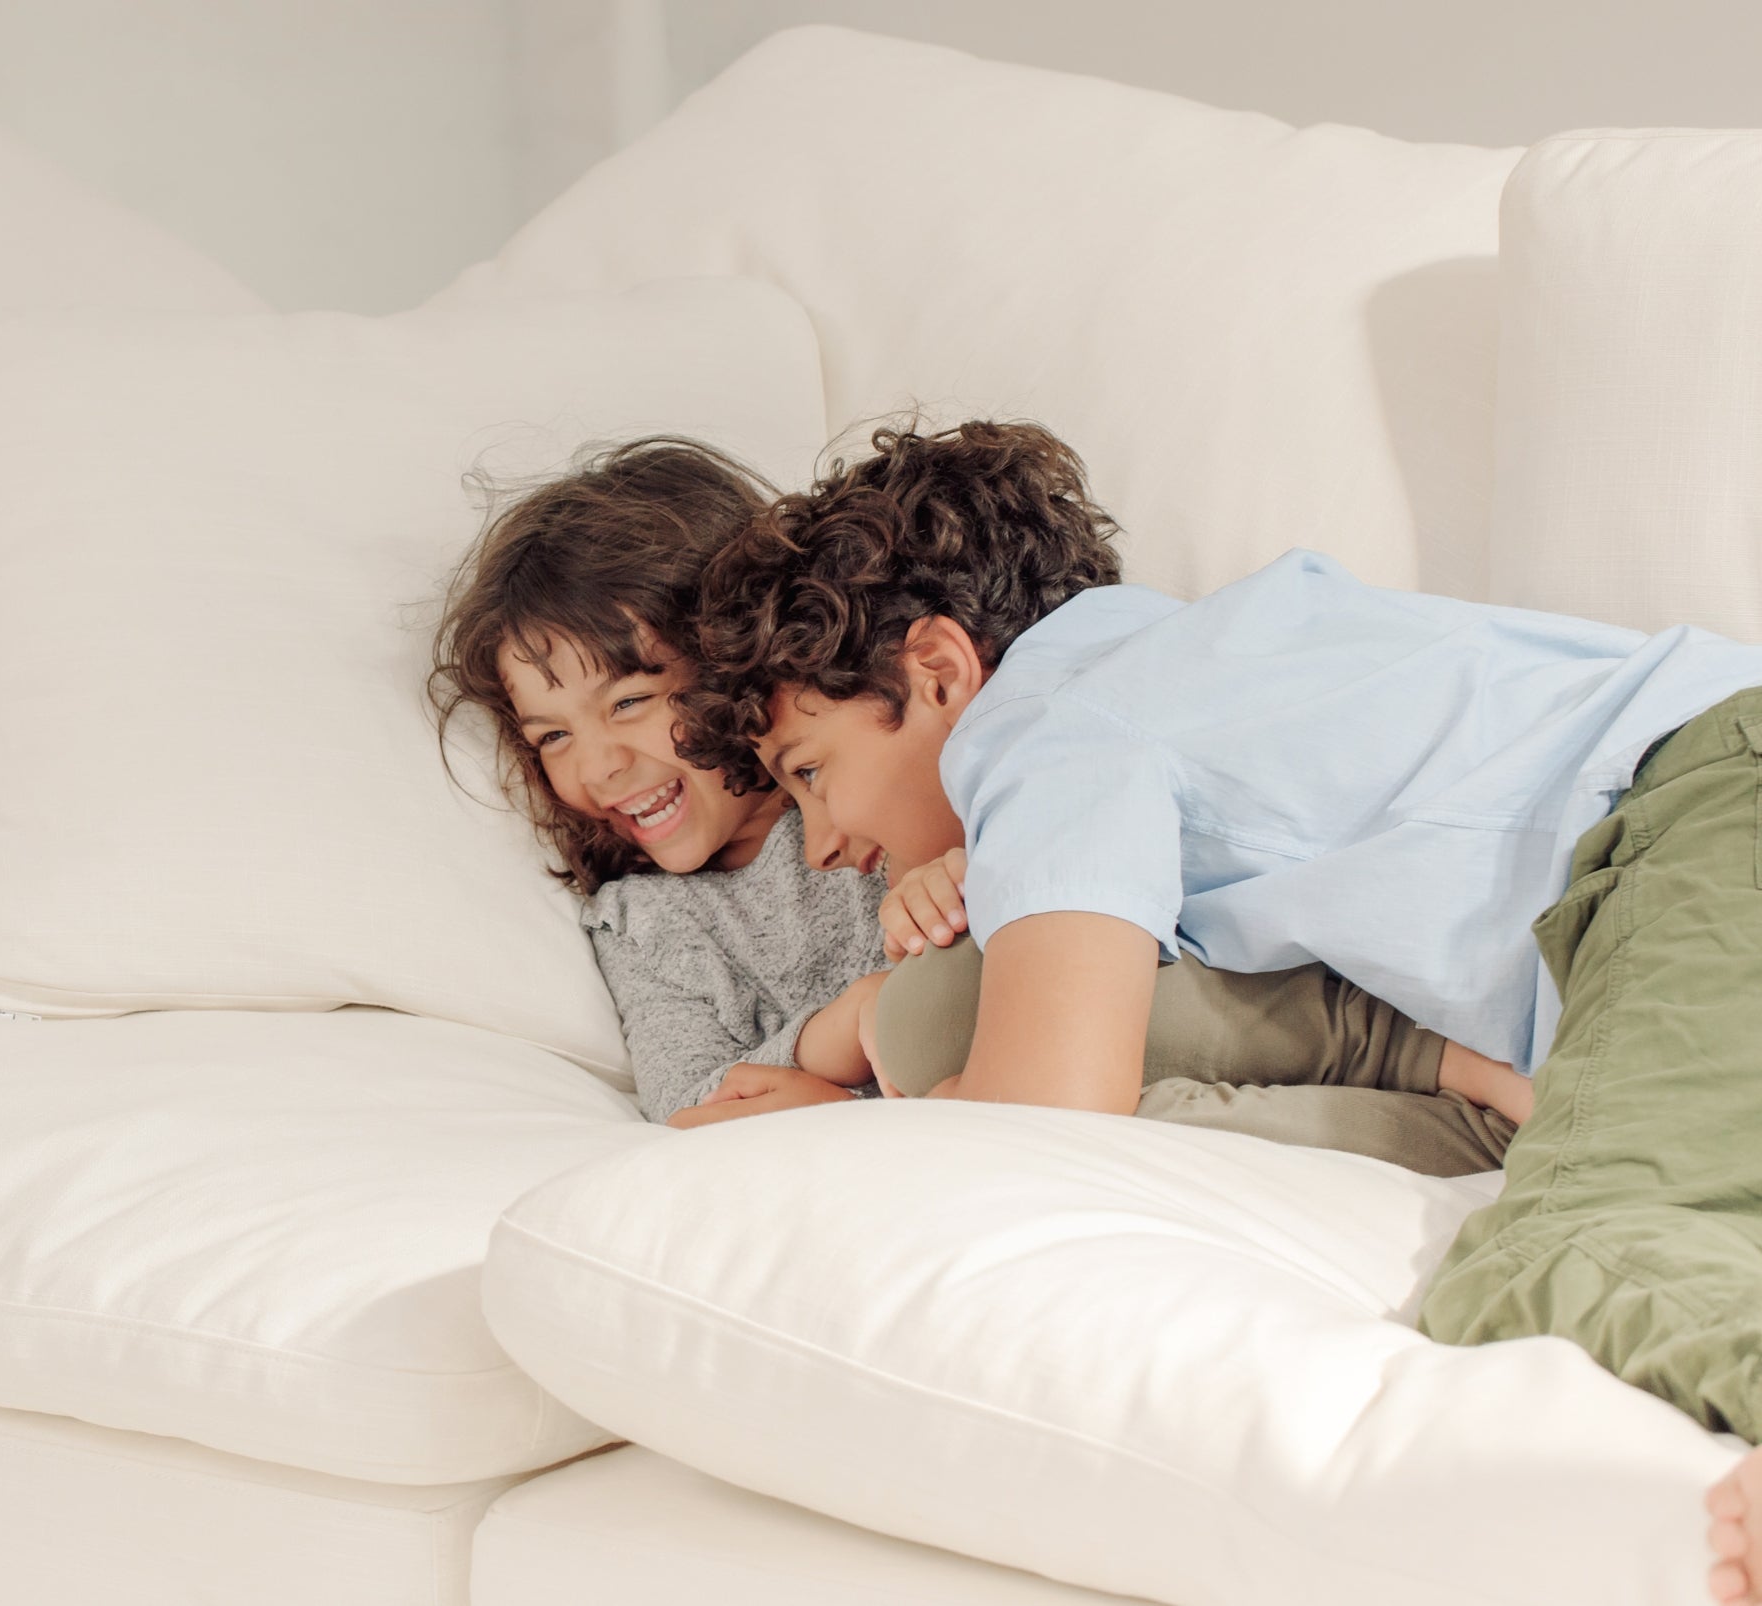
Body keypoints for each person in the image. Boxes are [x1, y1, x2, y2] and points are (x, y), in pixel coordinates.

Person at [674, 417, 1762, 1602]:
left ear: (939, 671)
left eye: (810, 772)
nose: (822, 845)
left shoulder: (1049, 728)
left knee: (1569, 1258)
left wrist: (832, 1128)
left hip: (1699, 822)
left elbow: (1044, 1112)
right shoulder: (1183, 673)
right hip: (1696, 835)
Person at [428, 438, 1529, 1177]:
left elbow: (1116, 926)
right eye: (551, 737)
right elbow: (697, 1104)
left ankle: (1435, 1066)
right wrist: (843, 1041)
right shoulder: (651, 923)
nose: (601, 766)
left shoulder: (917, 773)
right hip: (989, 1089)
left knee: (939, 1007)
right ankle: (1457, 1111)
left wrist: (974, 879)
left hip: (1087, 1037)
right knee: (923, 1017)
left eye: (630, 702)